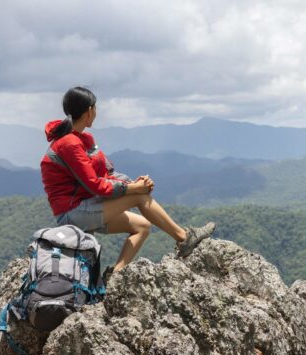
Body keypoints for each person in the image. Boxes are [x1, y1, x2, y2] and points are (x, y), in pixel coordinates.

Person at [40, 86, 216, 276]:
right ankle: (184, 239)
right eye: (96, 109)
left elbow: (105, 174)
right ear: (90, 110)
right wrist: (134, 189)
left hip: (85, 205)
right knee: (139, 198)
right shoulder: (69, 143)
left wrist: (134, 183)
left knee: (142, 226)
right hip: (73, 212)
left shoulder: (81, 139)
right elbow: (95, 184)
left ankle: (115, 275)